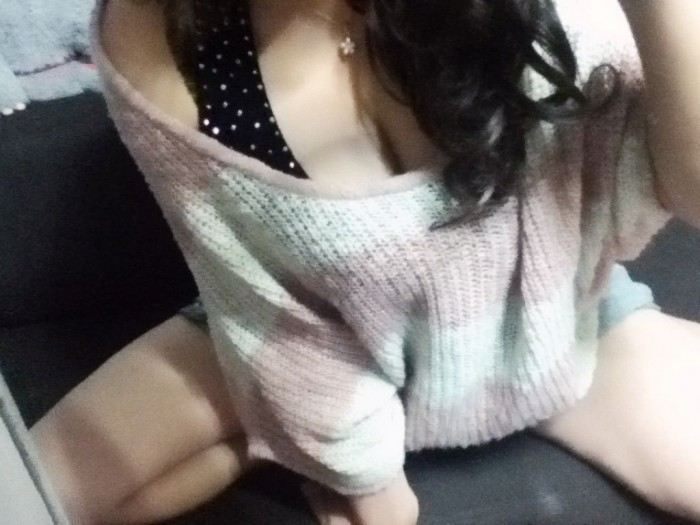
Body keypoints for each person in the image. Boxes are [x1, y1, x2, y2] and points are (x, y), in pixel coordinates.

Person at [29, 0, 700, 524]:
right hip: (310, 313)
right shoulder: (162, 31)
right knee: (29, 491)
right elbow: (260, 284)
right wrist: (361, 472)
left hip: (549, 313)